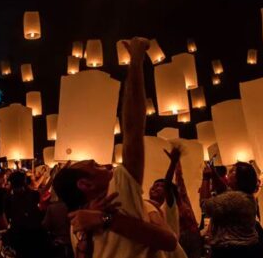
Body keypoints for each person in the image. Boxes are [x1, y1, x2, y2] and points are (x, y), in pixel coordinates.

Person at [53, 37, 178, 258]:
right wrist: (137, 59)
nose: (106, 165)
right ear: (85, 183)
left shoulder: (78, 225)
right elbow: (132, 127)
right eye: (94, 166)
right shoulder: (117, 191)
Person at [199, 161, 263, 258]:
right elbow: (222, 189)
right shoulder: (245, 196)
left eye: (232, 171)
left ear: (239, 178)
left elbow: (205, 205)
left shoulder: (235, 198)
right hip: (245, 249)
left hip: (231, 251)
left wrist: (205, 178)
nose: (228, 174)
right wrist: (213, 172)